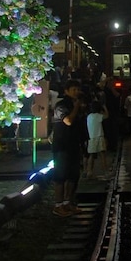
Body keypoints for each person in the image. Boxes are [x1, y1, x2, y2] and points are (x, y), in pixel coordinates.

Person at [51, 79, 84, 217]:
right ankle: (58, 205)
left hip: (74, 144)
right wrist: (76, 107)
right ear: (66, 91)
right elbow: (68, 121)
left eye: (77, 89)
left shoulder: (74, 104)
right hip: (62, 146)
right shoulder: (61, 105)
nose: (76, 92)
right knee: (61, 175)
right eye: (73, 89)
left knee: (73, 175)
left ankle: (68, 202)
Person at [83, 99, 109, 179]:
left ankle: (89, 171)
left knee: (91, 155)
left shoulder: (89, 116)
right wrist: (105, 107)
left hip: (91, 138)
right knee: (102, 155)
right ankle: (105, 172)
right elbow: (107, 115)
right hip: (99, 137)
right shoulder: (99, 116)